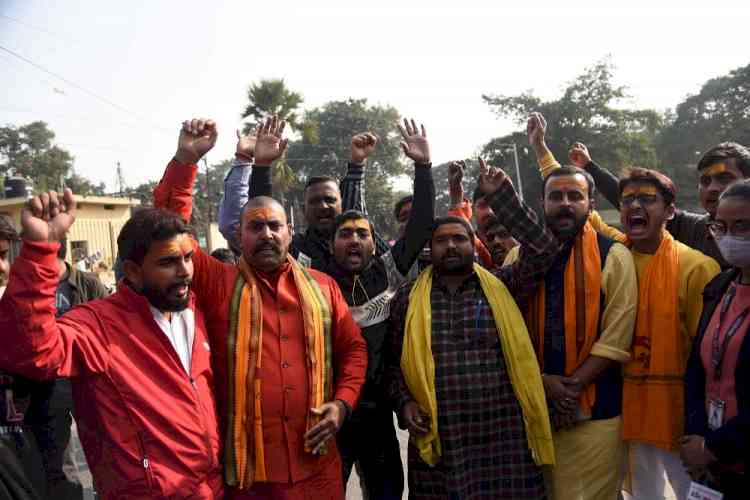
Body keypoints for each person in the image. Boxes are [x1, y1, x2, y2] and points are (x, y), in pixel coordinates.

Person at [155, 116, 367, 499]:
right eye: (256, 227)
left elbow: (354, 349)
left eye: (274, 226)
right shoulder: (217, 283)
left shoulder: (323, 287)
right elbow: (168, 228)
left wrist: (341, 404)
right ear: (239, 234)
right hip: (249, 477)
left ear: (289, 232)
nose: (267, 234)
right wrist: (186, 160)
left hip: (318, 470)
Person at [0, 193, 225, 499]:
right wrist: (40, 252)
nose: (185, 270)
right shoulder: (97, 326)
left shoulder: (196, 314)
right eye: (168, 262)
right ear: (132, 271)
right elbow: (33, 351)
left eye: (187, 258)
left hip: (210, 490)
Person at [387, 159, 557, 499]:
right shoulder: (408, 299)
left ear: (473, 244)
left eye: (459, 239)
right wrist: (404, 403)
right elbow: (391, 364)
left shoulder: (503, 285)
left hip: (503, 439)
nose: (450, 246)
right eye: (441, 240)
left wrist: (502, 197)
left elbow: (542, 249)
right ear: (429, 249)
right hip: (441, 441)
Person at [508, 165, 638, 499]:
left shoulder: (615, 255)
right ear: (542, 203)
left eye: (574, 196)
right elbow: (508, 330)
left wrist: (569, 388)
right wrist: (542, 382)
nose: (565, 204)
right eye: (556, 196)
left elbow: (616, 336)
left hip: (598, 413)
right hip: (534, 410)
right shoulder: (517, 257)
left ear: (590, 203)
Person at [325, 118, 434, 499]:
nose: (354, 240)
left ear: (376, 242)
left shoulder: (389, 269)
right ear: (331, 244)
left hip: (377, 413)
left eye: (362, 234)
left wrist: (423, 168)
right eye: (344, 234)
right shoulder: (311, 279)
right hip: (328, 414)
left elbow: (421, 226)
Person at [529, 112, 750, 268]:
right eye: (706, 181)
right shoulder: (696, 229)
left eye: (724, 178)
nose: (713, 188)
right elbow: (572, 196)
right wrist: (544, 151)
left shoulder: (696, 268)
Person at [219, 119, 390, 269]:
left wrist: (357, 166)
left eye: (329, 200)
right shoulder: (293, 250)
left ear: (342, 204)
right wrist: (260, 165)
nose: (323, 206)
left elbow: (407, 253)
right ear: (303, 209)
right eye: (315, 201)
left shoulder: (367, 246)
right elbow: (259, 214)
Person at [23, 238, 108, 500]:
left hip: (88, 383)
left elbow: (109, 328)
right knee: (59, 459)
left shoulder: (88, 284)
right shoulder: (32, 289)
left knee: (104, 449)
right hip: (49, 388)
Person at [682, 179, 750, 499]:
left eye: (742, 226)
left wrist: (713, 446)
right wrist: (698, 437)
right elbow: (698, 368)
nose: (729, 236)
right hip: (715, 465)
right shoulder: (720, 286)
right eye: (721, 226)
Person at [446, 160, 517, 268]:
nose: (490, 212)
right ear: (473, 210)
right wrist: (456, 195)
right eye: (483, 205)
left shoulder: (527, 247)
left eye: (503, 234)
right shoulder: (472, 249)